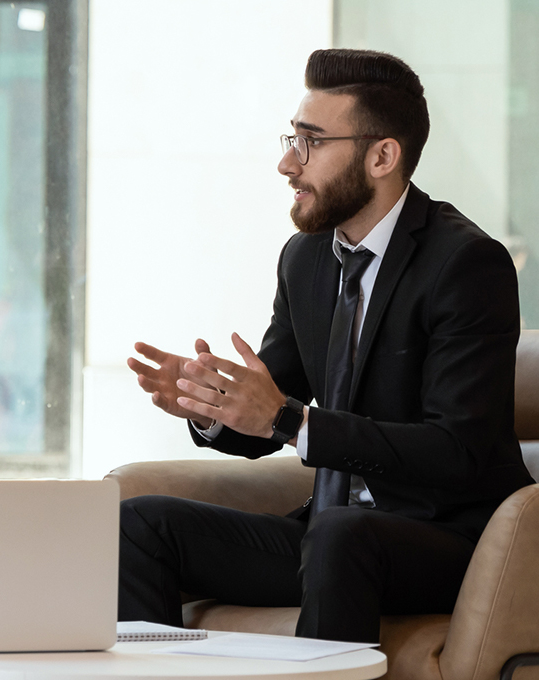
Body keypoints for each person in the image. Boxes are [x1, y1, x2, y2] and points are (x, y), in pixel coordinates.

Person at [119, 48, 535, 643]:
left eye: (311, 142)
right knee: (139, 524)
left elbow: (456, 452)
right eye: (290, 137)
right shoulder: (307, 258)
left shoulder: (466, 264)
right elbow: (271, 412)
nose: (288, 163)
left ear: (382, 155)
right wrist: (212, 405)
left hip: (449, 540)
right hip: (330, 535)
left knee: (341, 535)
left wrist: (287, 418)